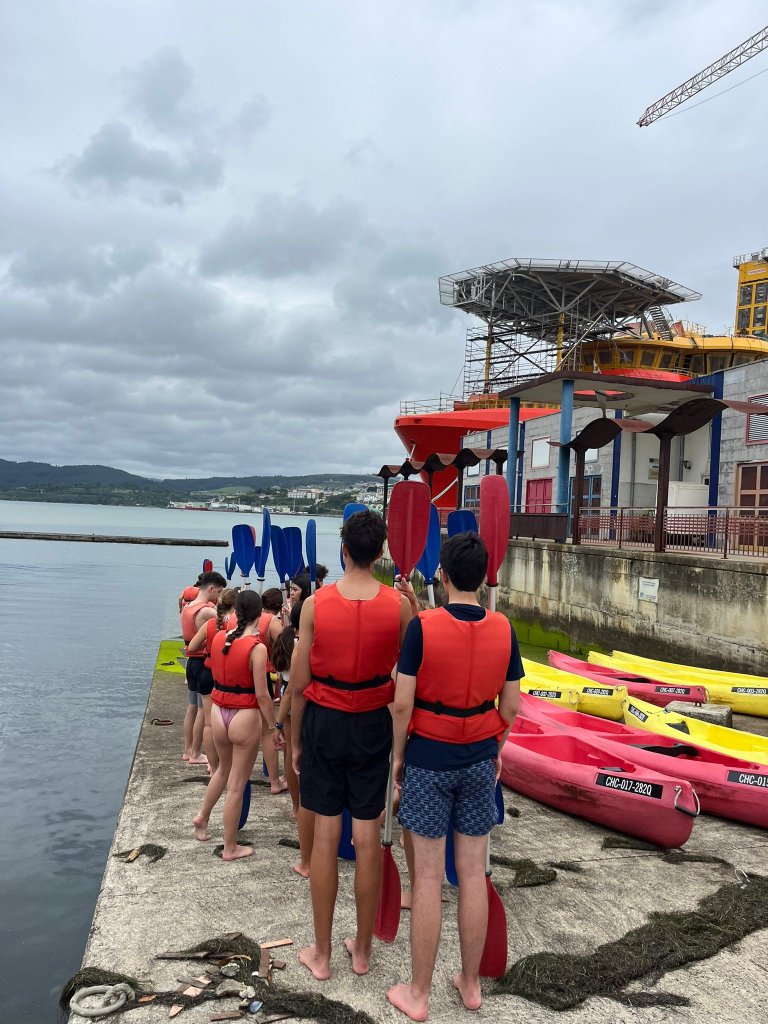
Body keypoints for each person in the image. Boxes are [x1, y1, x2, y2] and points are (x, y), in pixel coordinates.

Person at [386, 533, 522, 1022]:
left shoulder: (422, 628)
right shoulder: (504, 628)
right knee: (471, 874)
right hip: (479, 760)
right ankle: (470, 984)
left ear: (442, 576)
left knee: (427, 878)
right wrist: (495, 749)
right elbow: (511, 707)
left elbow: (402, 703)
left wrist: (399, 757)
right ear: (483, 578)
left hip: (429, 759)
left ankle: (418, 993)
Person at [291, 509, 416, 981]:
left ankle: (322, 955)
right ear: (380, 552)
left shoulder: (315, 605)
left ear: (344, 549)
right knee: (367, 838)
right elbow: (410, 670)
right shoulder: (398, 606)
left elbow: (299, 683)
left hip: (325, 722)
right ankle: (362, 951)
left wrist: (296, 740)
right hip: (373, 725)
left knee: (326, 836)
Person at [193, 590, 284, 860]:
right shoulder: (257, 648)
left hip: (219, 711)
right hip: (244, 715)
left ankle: (202, 816)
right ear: (259, 614)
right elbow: (262, 696)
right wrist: (273, 726)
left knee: (222, 770)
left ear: (236, 612)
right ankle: (230, 847)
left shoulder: (219, 638)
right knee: (236, 785)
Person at [188, 588, 238, 775]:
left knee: (209, 724)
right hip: (227, 678)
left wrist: (208, 645)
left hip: (207, 674)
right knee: (231, 724)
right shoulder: (238, 626)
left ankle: (213, 766)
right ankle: (229, 764)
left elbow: (192, 647)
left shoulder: (210, 624)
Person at [180, 570, 226, 764]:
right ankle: (196, 754)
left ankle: (187, 749)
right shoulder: (206, 611)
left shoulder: (188, 606)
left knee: (191, 707)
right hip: (201, 662)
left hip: (191, 663)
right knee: (201, 710)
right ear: (212, 589)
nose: (219, 596)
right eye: (219, 592)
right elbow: (227, 622)